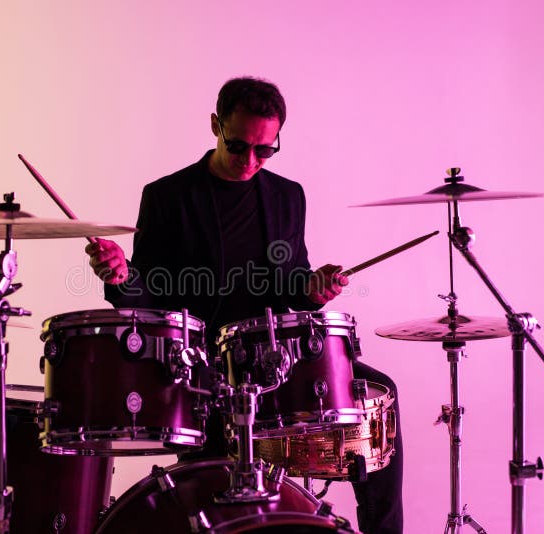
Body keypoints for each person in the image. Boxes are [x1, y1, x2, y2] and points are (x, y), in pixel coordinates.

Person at [85, 76, 403, 534]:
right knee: (219, 497)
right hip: (205, 368)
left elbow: (294, 279)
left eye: (265, 150)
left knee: (379, 396)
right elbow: (150, 292)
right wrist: (120, 278)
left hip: (282, 362)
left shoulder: (287, 195)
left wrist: (312, 289)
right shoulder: (168, 196)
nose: (250, 161)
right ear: (216, 125)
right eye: (238, 147)